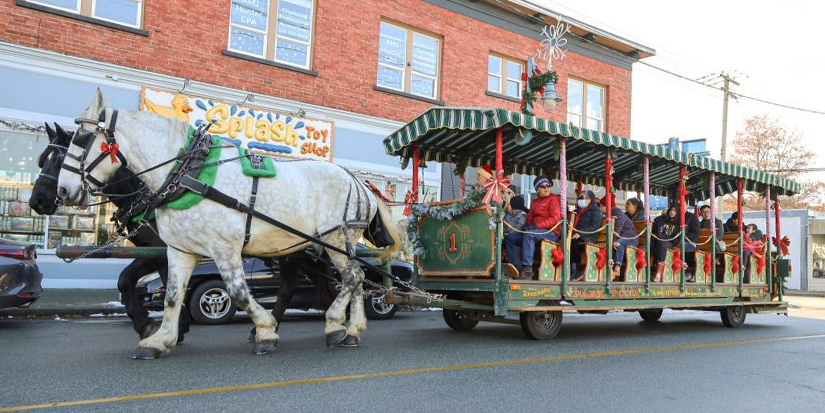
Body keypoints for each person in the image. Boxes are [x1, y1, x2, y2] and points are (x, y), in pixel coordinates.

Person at [504, 176, 561, 280]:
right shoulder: (534, 202)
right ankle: (516, 267)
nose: (546, 188)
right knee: (510, 237)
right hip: (535, 230)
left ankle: (527, 269)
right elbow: (530, 218)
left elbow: (555, 219)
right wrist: (527, 226)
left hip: (551, 231)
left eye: (548, 186)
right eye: (543, 186)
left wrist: (537, 226)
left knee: (529, 235)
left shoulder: (554, 199)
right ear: (537, 189)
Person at [600, 194, 639, 281]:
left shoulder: (617, 213)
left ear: (607, 206)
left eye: (602, 206)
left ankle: (617, 266)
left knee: (618, 242)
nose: (601, 208)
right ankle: (616, 267)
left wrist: (613, 240)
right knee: (619, 243)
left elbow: (618, 228)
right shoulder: (610, 214)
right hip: (621, 238)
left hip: (631, 239)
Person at [569, 190, 602, 281]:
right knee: (564, 240)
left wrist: (580, 233)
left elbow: (594, 227)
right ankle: (568, 267)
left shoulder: (595, 211)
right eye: (579, 198)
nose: (580, 200)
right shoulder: (577, 211)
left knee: (574, 242)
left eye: (582, 198)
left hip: (588, 236)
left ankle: (577, 269)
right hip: (576, 234)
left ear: (589, 200)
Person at [651, 205, 679, 281]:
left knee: (662, 245)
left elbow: (676, 238)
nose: (672, 212)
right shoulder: (661, 219)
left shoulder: (678, 223)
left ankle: (659, 273)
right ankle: (647, 269)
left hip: (669, 242)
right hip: (658, 240)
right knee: (650, 245)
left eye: (674, 211)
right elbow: (654, 231)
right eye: (671, 210)